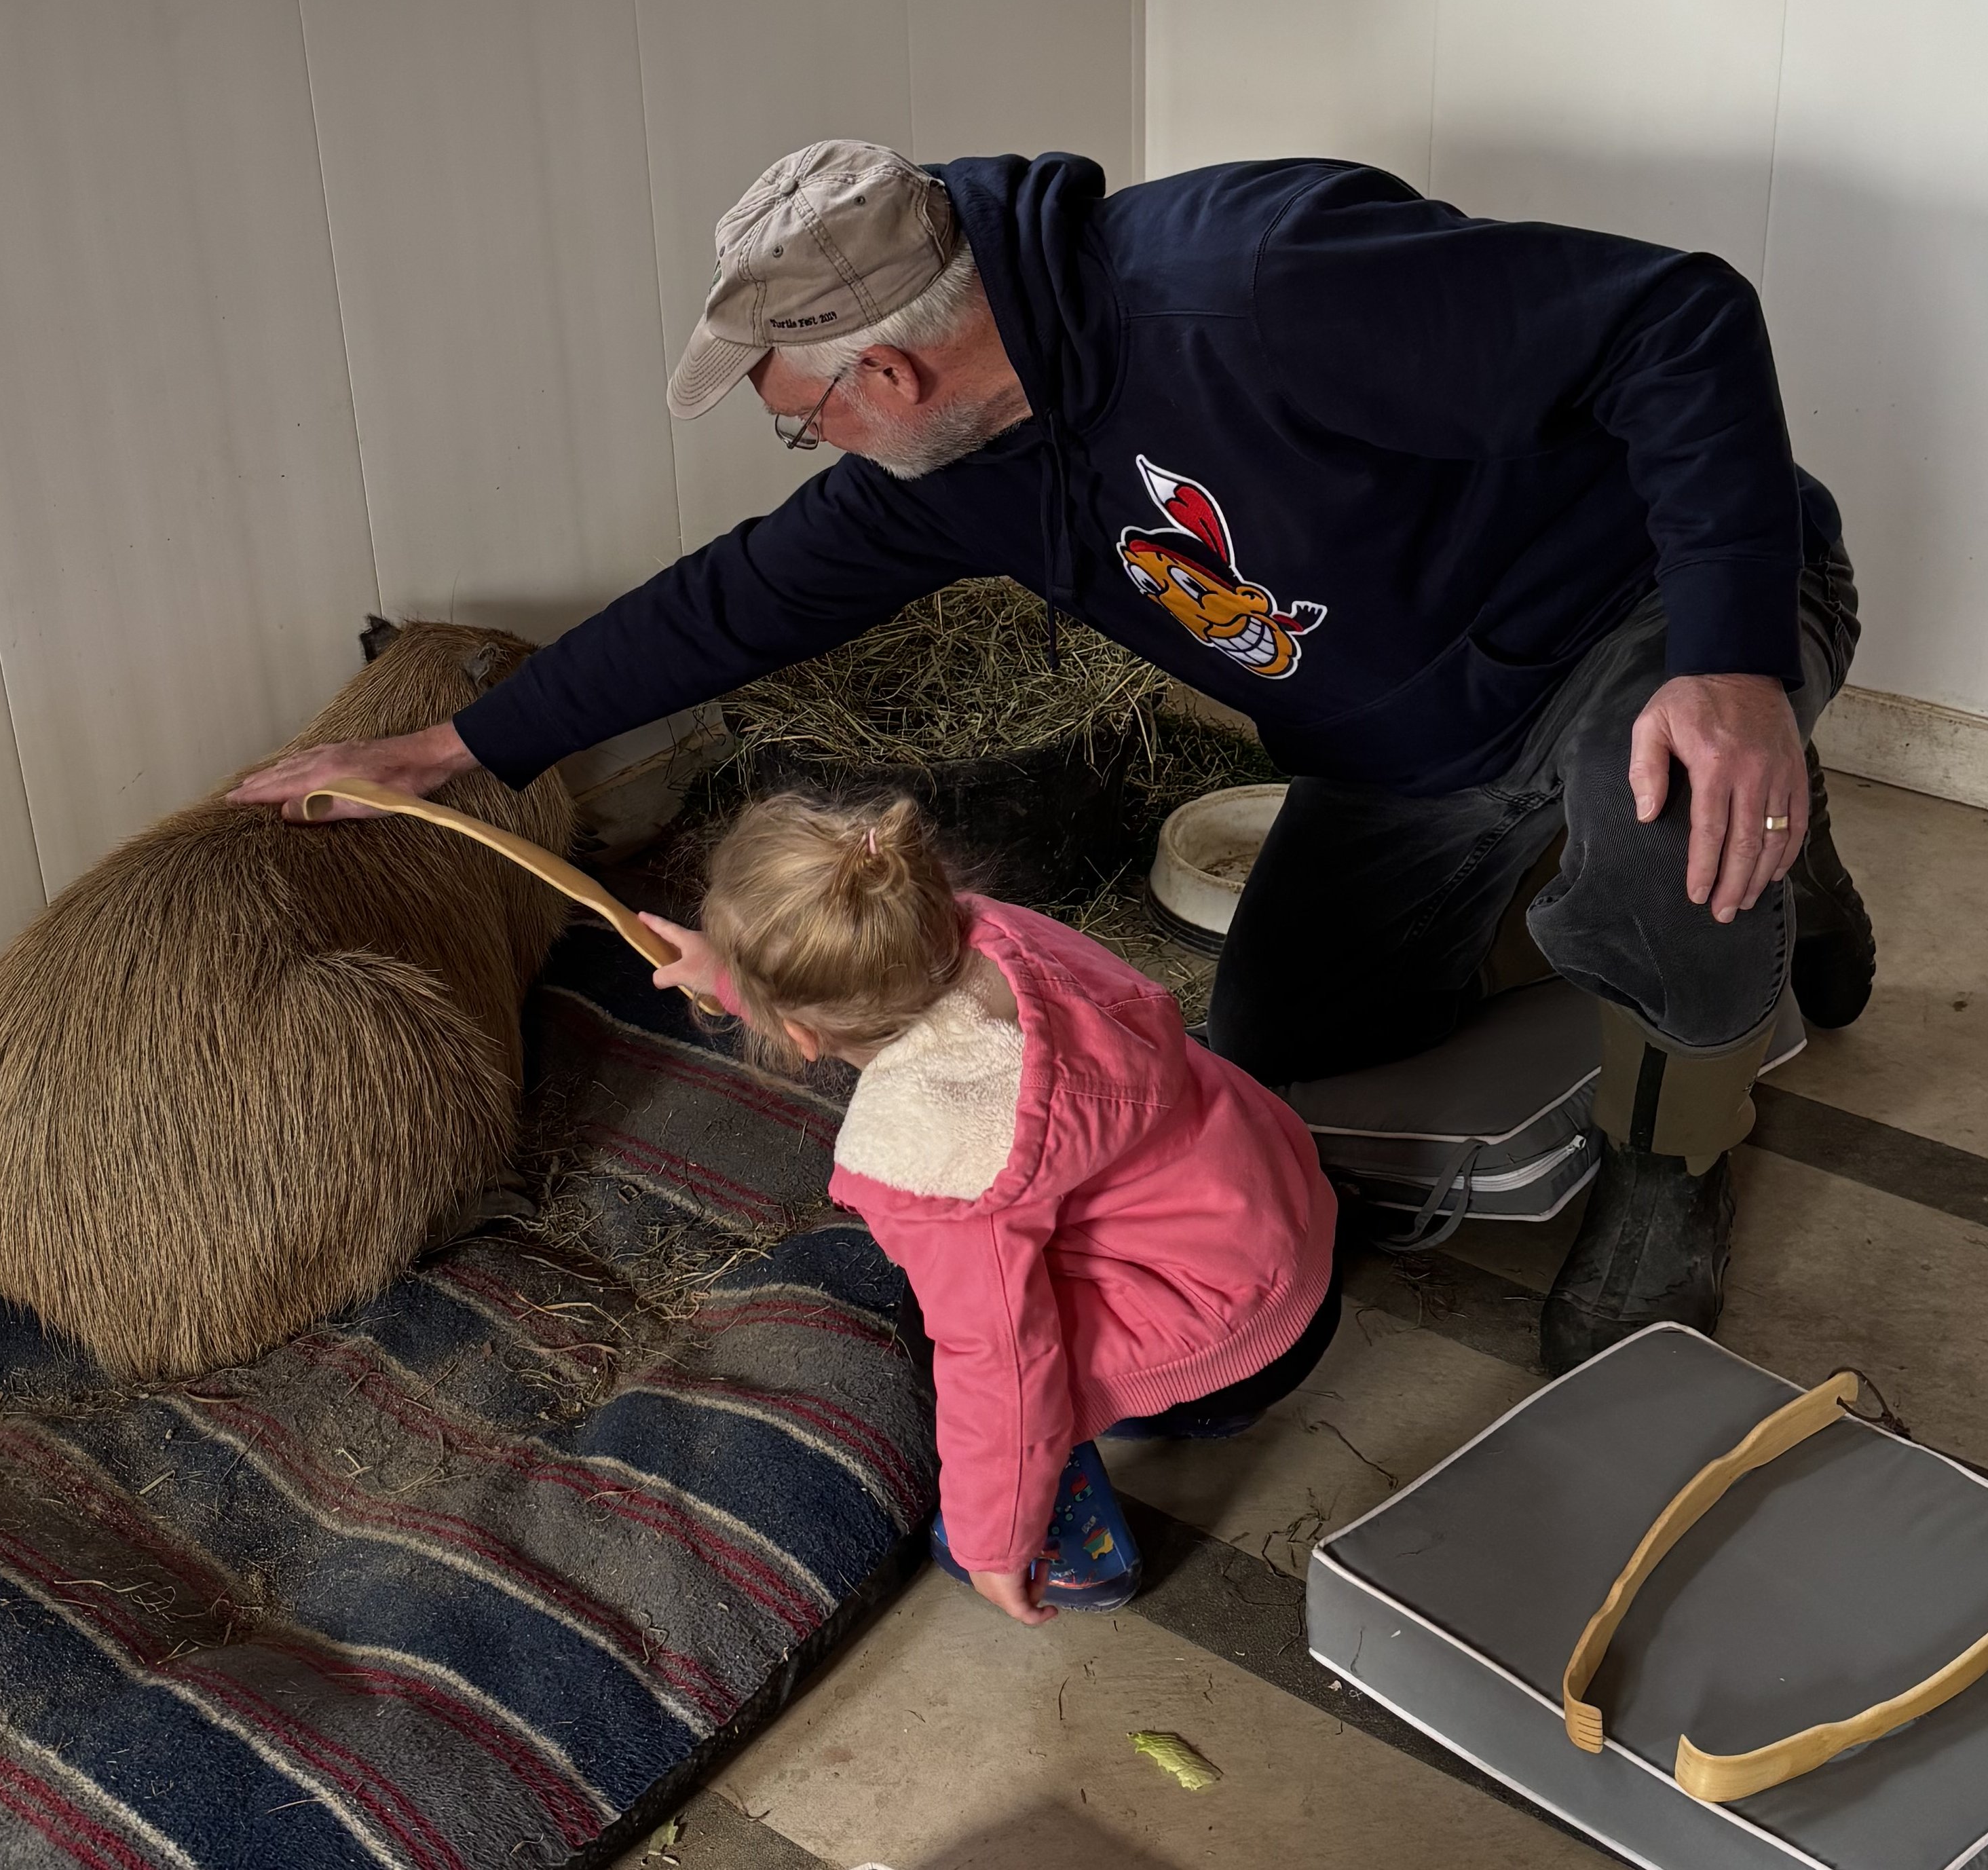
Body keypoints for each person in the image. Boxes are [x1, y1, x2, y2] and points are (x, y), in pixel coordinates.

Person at [233, 139, 1874, 1370]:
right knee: (1291, 1040)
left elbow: (1683, 320)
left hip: (1646, 624)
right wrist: (454, 742)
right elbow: (735, 601)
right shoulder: (949, 465)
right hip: (1418, 746)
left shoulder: (1257, 281)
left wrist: (1731, 658)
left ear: (887, 368)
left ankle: (1680, 1145)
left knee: (1658, 814)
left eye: (807, 418)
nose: (817, 449)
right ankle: (1734, 862)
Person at [640, 790, 1340, 1625]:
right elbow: (859, 968)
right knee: (1002, 1271)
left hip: (1226, 1341)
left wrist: (995, 1540)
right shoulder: (993, 933)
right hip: (1288, 1229)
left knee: (938, 1319)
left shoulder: (937, 1150)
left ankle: (1078, 1524)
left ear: (800, 1038)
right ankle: (1208, 1403)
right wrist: (727, 969)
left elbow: (1002, 1361)